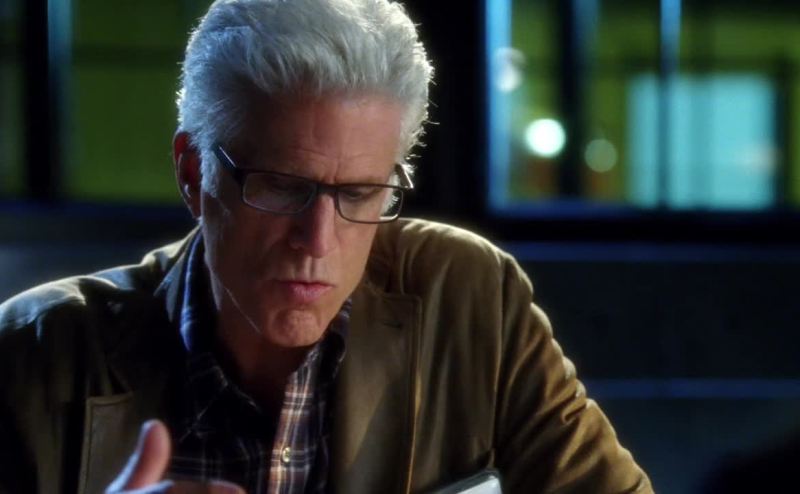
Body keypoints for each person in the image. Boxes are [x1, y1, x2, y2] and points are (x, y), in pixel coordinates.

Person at [0, 0, 652, 492]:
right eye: (283, 188)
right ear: (194, 175)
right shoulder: (35, 352)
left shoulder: (469, 297)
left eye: (361, 194)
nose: (317, 240)